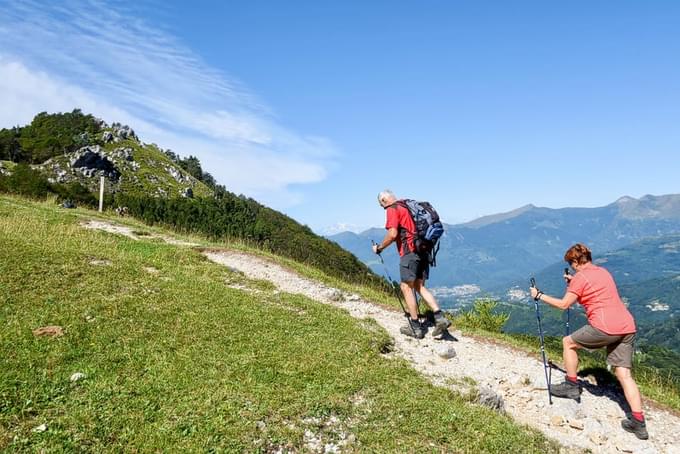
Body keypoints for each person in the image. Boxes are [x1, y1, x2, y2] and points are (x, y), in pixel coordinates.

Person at [529, 243, 648, 440]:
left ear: (576, 261)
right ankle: (638, 422)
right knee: (623, 374)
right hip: (627, 326)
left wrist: (539, 295)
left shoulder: (580, 278)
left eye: (571, 263)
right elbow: (593, 294)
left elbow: (564, 304)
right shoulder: (603, 272)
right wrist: (574, 282)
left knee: (568, 342)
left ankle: (571, 385)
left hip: (605, 327)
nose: (572, 266)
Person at [372, 189, 451, 339]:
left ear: (384, 200)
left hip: (410, 252)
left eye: (381, 206)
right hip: (423, 250)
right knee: (419, 286)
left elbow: (393, 234)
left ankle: (415, 327)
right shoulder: (407, 205)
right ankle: (440, 318)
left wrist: (379, 248)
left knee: (406, 287)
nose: (383, 208)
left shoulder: (392, 209)